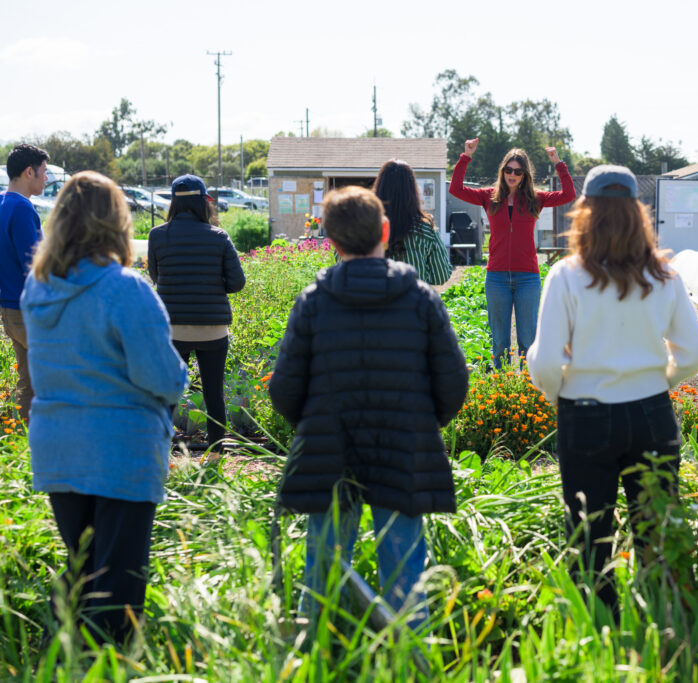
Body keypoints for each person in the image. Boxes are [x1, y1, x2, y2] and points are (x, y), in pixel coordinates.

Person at [269, 186, 468, 626]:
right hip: (402, 445)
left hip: (329, 448)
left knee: (322, 565)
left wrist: (313, 423)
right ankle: (410, 664)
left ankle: (314, 653)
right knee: (405, 573)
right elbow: (453, 383)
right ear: (385, 229)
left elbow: (284, 390)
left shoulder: (314, 301)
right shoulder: (419, 298)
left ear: (331, 239)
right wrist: (421, 421)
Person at [526, 165, 698, 611]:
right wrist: (655, 381)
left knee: (589, 535)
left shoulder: (567, 276)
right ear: (636, 213)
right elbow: (695, 356)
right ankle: (667, 625)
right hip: (650, 414)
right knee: (657, 532)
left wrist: (560, 393)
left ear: (584, 212)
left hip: (586, 413)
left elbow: (546, 360)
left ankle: (600, 633)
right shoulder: (663, 276)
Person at [20, 171, 188, 643]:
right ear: (115, 222)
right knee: (119, 587)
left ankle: (69, 662)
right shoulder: (125, 288)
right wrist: (181, 381)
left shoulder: (38, 289)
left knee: (84, 572)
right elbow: (160, 376)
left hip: (59, 451)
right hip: (121, 453)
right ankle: (109, 669)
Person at [449, 139, 576, 365]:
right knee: (499, 343)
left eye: (517, 171)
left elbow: (568, 195)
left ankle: (527, 392)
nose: (512, 174)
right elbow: (455, 189)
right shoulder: (488, 196)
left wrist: (558, 162)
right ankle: (502, 389)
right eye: (508, 170)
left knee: (528, 341)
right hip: (496, 277)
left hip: (528, 277)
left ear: (524, 175)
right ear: (502, 171)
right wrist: (466, 156)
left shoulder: (536, 198)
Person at [148, 174, 245, 453]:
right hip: (212, 330)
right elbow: (237, 283)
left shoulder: (157, 235)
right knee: (214, 393)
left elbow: (157, 277)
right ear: (205, 203)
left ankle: (160, 453)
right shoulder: (219, 237)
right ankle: (216, 454)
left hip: (172, 329)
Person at [0, 144, 49, 422]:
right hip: (30, 308)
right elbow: (33, 264)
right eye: (43, 172)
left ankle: (21, 447)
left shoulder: (3, 202)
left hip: (10, 307)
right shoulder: (21, 208)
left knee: (28, 383)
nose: (46, 178)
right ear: (28, 171)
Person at [373, 159, 452, 286]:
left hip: (372, 302)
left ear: (379, 188)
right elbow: (441, 276)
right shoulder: (426, 229)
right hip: (414, 302)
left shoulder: (365, 228)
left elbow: (342, 264)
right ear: (412, 191)